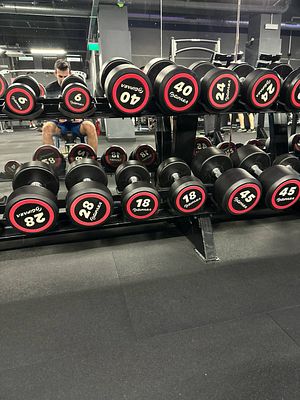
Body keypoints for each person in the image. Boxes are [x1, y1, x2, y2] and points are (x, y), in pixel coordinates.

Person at [42, 59, 98, 153]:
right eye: (60, 76)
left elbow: (87, 106)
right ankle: (52, 160)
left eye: (66, 76)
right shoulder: (50, 89)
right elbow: (48, 110)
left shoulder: (79, 87)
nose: (63, 79)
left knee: (90, 126)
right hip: (59, 125)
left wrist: (81, 117)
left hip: (77, 124)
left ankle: (93, 159)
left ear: (70, 73)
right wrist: (58, 117)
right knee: (46, 127)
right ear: (55, 73)